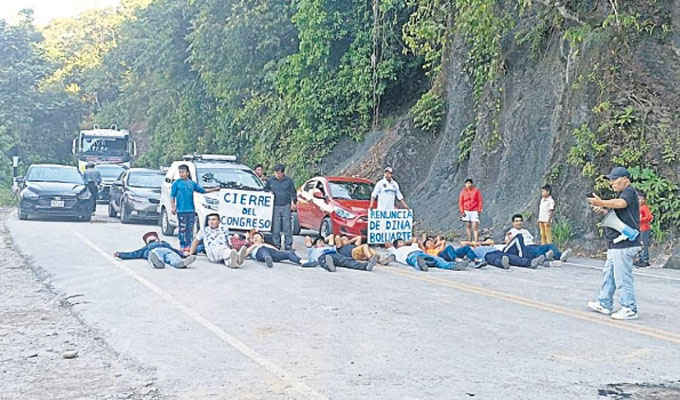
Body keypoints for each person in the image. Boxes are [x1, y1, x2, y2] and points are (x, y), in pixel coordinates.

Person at [587, 167, 641, 320]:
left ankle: (629, 308)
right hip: (617, 244)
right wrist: (603, 210)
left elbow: (621, 204)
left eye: (614, 179)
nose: (611, 182)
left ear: (625, 179)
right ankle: (604, 303)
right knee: (609, 274)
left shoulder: (628, 192)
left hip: (625, 243)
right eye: (610, 179)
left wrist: (601, 202)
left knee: (622, 277)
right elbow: (619, 214)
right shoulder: (622, 193)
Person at [171, 164, 219, 252]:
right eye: (180, 172)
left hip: (191, 210)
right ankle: (182, 245)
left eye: (183, 172)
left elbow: (202, 190)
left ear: (187, 173)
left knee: (190, 229)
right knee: (182, 229)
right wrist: (173, 207)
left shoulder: (192, 183)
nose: (181, 174)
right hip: (181, 210)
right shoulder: (176, 183)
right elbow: (172, 196)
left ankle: (189, 245)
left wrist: (214, 189)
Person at [506, 214, 572, 263]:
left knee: (550, 246)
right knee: (536, 250)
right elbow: (508, 243)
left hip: (533, 245)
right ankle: (548, 256)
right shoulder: (511, 232)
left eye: (520, 221)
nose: (519, 223)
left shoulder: (525, 231)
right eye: (516, 221)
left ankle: (561, 256)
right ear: (513, 223)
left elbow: (532, 240)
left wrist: (538, 245)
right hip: (525, 248)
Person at [114, 231, 196, 269]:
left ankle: (180, 263)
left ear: (158, 239)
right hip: (154, 251)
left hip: (167, 250)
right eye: (150, 240)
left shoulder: (164, 243)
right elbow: (134, 253)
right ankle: (157, 262)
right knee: (155, 254)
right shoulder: (147, 248)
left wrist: (183, 254)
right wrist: (121, 254)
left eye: (154, 238)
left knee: (172, 255)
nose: (153, 239)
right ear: (147, 242)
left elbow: (174, 250)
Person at [264, 164, 297, 250]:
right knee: (276, 227)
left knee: (287, 226)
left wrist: (293, 202)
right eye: (276, 173)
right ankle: (276, 245)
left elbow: (293, 192)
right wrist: (269, 193)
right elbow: (265, 190)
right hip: (275, 205)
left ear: (282, 173)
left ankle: (288, 245)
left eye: (279, 173)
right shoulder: (271, 181)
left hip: (286, 205)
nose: (277, 175)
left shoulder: (288, 181)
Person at [387, 238, 470, 271]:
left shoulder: (412, 246)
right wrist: (397, 245)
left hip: (421, 253)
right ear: (396, 245)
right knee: (415, 260)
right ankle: (421, 266)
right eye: (400, 242)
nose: (402, 242)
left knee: (438, 260)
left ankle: (453, 266)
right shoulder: (395, 251)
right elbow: (387, 243)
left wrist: (405, 243)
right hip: (410, 255)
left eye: (402, 241)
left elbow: (415, 239)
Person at [305, 236, 378, 272]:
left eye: (323, 242)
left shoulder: (329, 248)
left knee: (347, 261)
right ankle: (330, 267)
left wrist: (323, 240)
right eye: (320, 242)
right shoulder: (312, 250)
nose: (322, 243)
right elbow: (307, 238)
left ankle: (366, 266)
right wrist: (315, 242)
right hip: (323, 256)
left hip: (335, 255)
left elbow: (331, 236)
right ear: (314, 245)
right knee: (324, 260)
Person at [467, 236, 545, 269]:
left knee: (513, 258)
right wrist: (473, 244)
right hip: (487, 255)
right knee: (495, 259)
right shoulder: (473, 250)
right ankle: (502, 263)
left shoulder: (488, 245)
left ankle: (531, 263)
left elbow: (491, 241)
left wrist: (480, 243)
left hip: (498, 252)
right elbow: (463, 244)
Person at [245, 231, 313, 268]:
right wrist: (254, 245)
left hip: (272, 253)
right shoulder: (252, 247)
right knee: (263, 250)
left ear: (262, 240)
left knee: (289, 253)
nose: (255, 238)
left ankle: (301, 261)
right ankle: (267, 258)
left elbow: (276, 250)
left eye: (257, 237)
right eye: (254, 238)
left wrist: (264, 244)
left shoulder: (265, 245)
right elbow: (245, 253)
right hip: (259, 254)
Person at [419, 234, 485, 267]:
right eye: (428, 243)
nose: (430, 244)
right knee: (449, 247)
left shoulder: (436, 247)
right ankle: (457, 260)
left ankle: (476, 261)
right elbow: (421, 243)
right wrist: (426, 243)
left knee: (466, 248)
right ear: (425, 246)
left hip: (449, 254)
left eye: (431, 242)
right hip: (441, 256)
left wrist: (435, 245)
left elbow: (443, 241)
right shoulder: (427, 250)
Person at [327, 234, 393, 264]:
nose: (346, 239)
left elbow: (358, 237)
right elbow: (337, 237)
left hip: (361, 254)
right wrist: (342, 240)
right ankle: (371, 258)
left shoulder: (353, 245)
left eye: (346, 238)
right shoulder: (340, 247)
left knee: (370, 249)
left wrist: (350, 241)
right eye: (344, 239)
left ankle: (381, 260)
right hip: (353, 254)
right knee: (365, 246)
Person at [458, 178, 483, 242]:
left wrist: (479, 210)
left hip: (474, 210)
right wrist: (462, 211)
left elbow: (480, 201)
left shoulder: (476, 191)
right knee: (468, 225)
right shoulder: (463, 192)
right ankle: (469, 240)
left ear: (472, 184)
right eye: (467, 183)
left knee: (475, 226)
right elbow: (460, 202)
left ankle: (476, 241)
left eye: (469, 183)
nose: (468, 185)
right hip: (466, 210)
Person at [636, 192, 653, 268]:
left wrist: (640, 220)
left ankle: (645, 260)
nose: (640, 201)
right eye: (638, 199)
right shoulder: (637, 207)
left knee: (643, 244)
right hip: (638, 228)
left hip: (644, 228)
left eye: (641, 199)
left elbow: (649, 217)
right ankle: (640, 259)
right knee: (639, 244)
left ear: (645, 200)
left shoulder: (645, 208)